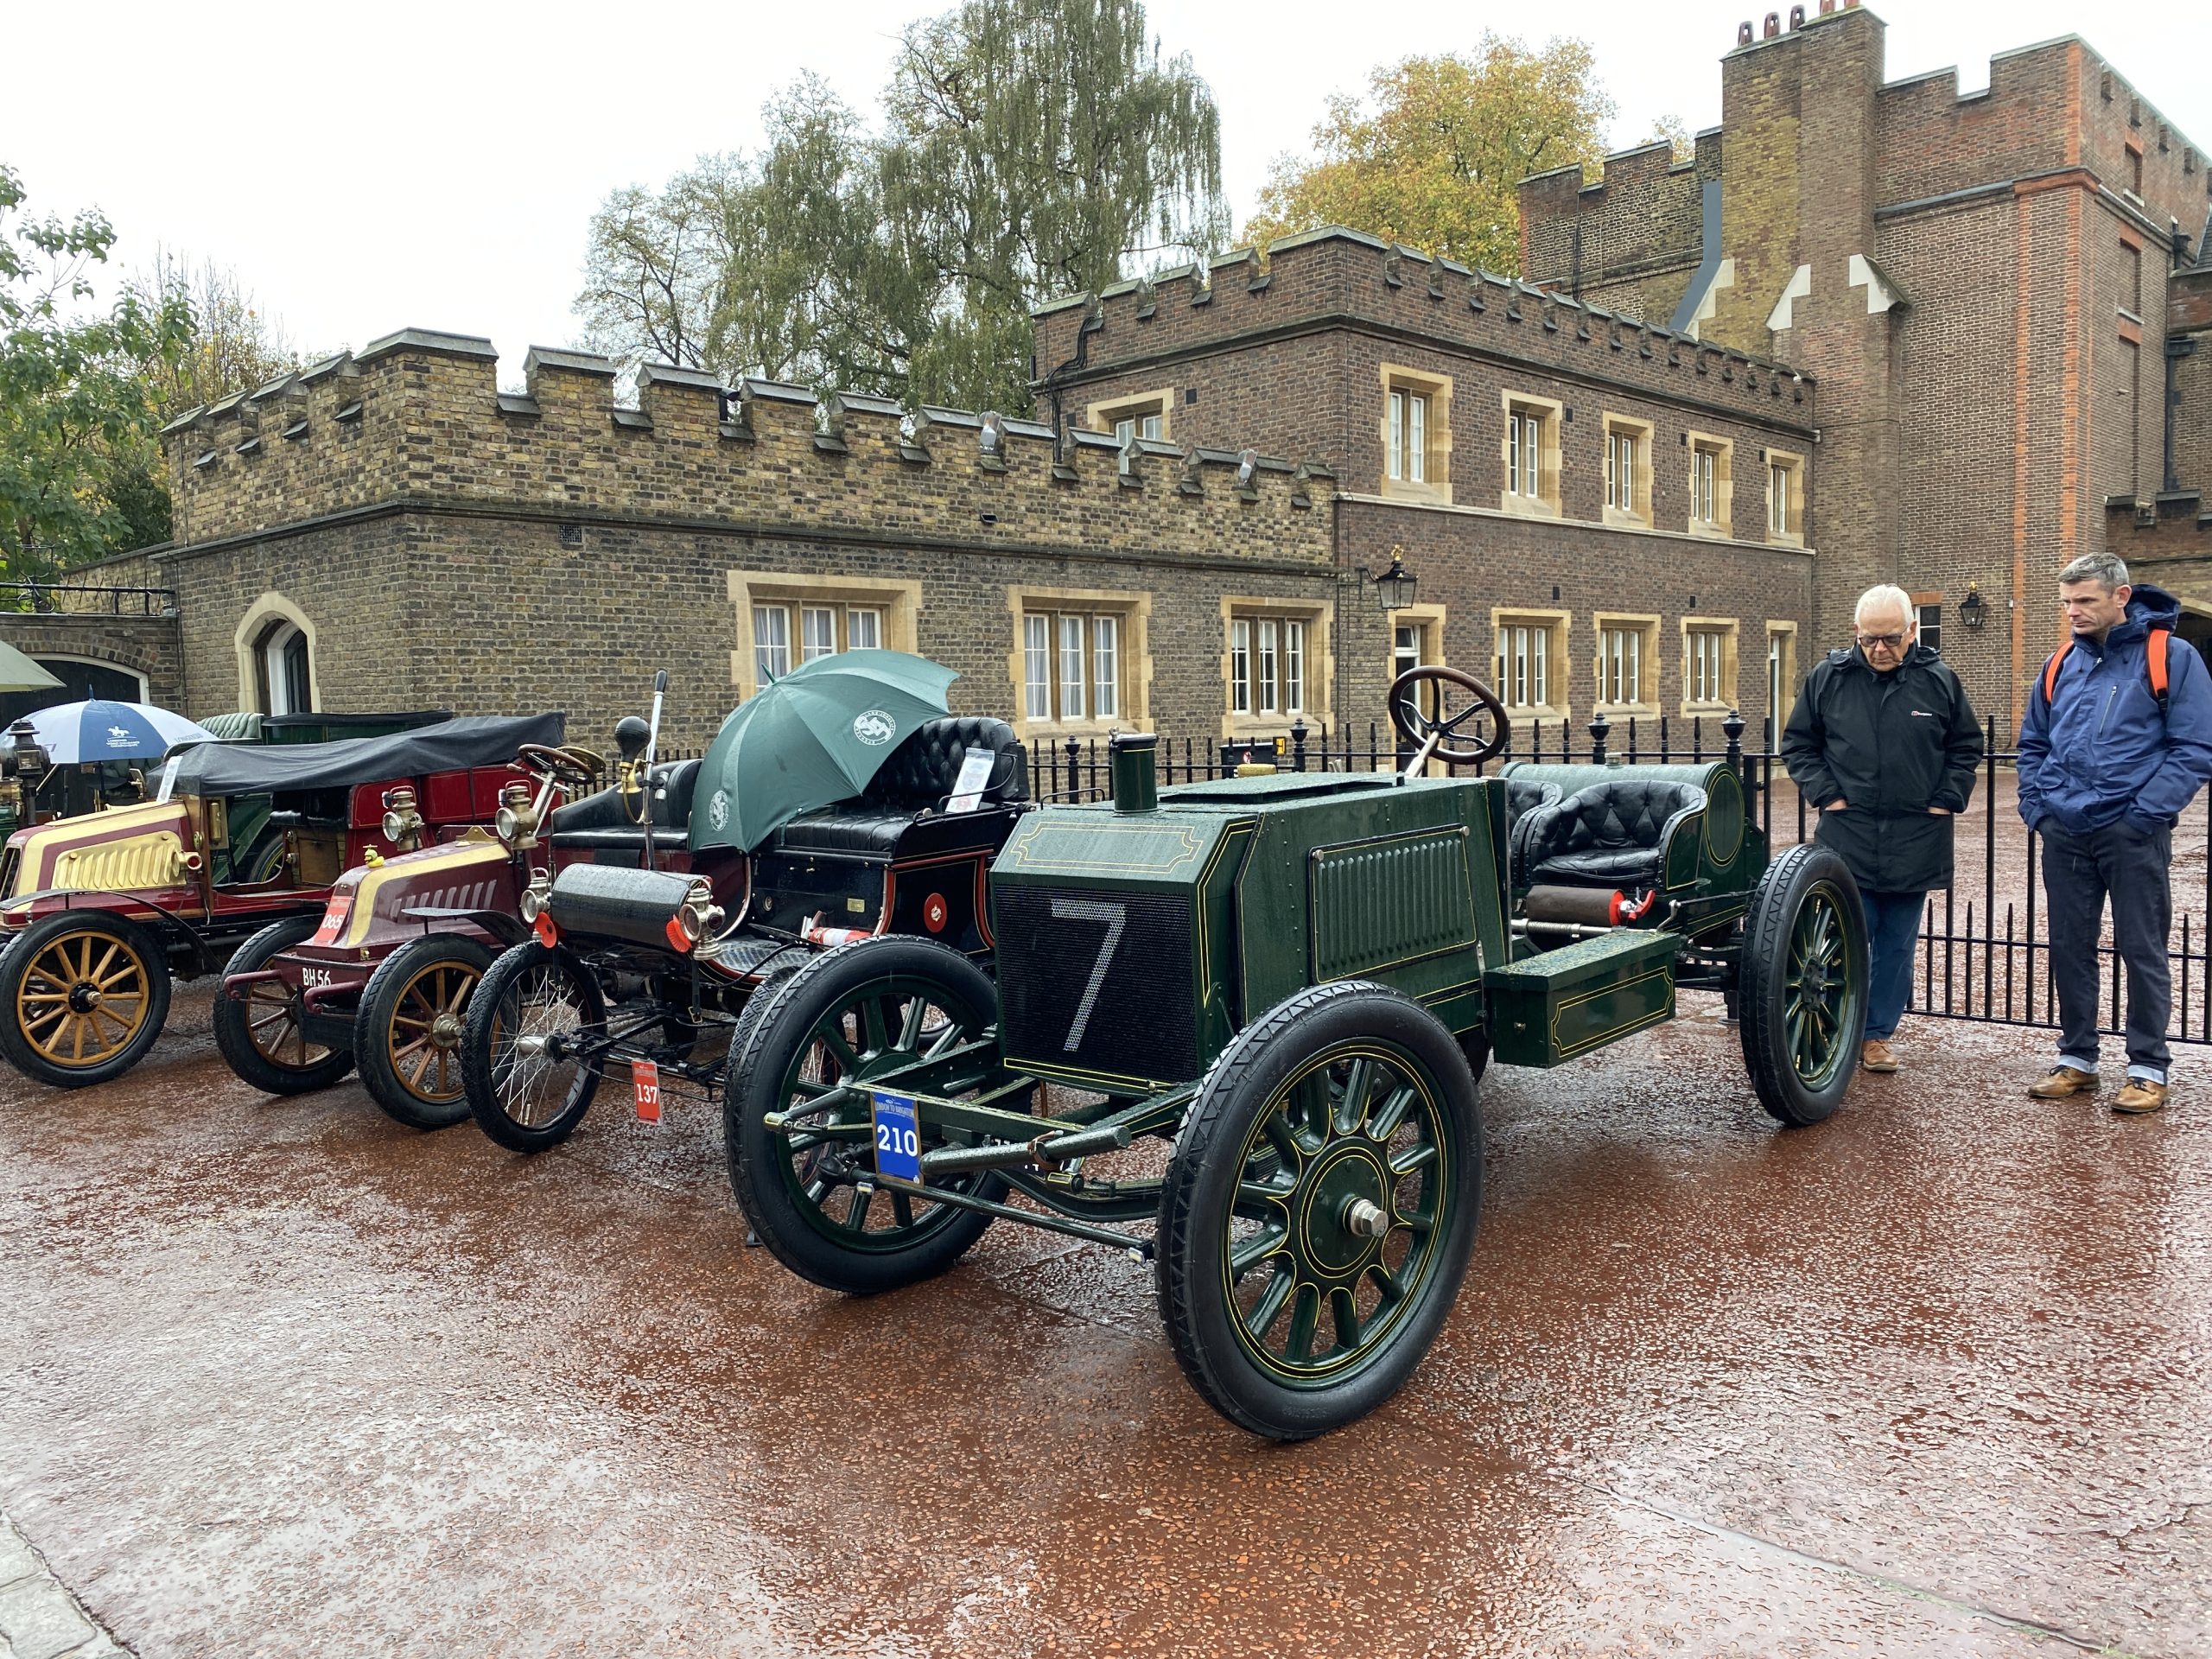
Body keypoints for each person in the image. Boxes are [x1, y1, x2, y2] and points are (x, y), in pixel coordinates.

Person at [2017, 554, 2212, 1114]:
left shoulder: (2171, 657)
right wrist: (2040, 810)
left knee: (2142, 950)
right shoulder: (2059, 665)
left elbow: (2194, 749)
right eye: (2067, 602)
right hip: (2066, 832)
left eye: (2085, 601)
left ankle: (2148, 1067)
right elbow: (2033, 746)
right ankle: (2078, 1058)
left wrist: (2143, 815)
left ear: (2121, 597)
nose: (2073, 612)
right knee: (2070, 949)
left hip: (2132, 834)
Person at [1782, 583, 1983, 1072]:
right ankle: (1828, 1027)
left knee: (1895, 944)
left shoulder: (1939, 681)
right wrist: (1827, 794)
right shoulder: (1827, 678)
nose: (1879, 650)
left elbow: (1966, 746)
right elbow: (1798, 744)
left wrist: (1947, 799)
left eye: (1891, 639)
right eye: (1870, 639)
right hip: (1848, 832)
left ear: (1911, 632)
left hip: (1916, 833)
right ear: (1856, 632)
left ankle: (1874, 1035)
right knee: (1839, 938)